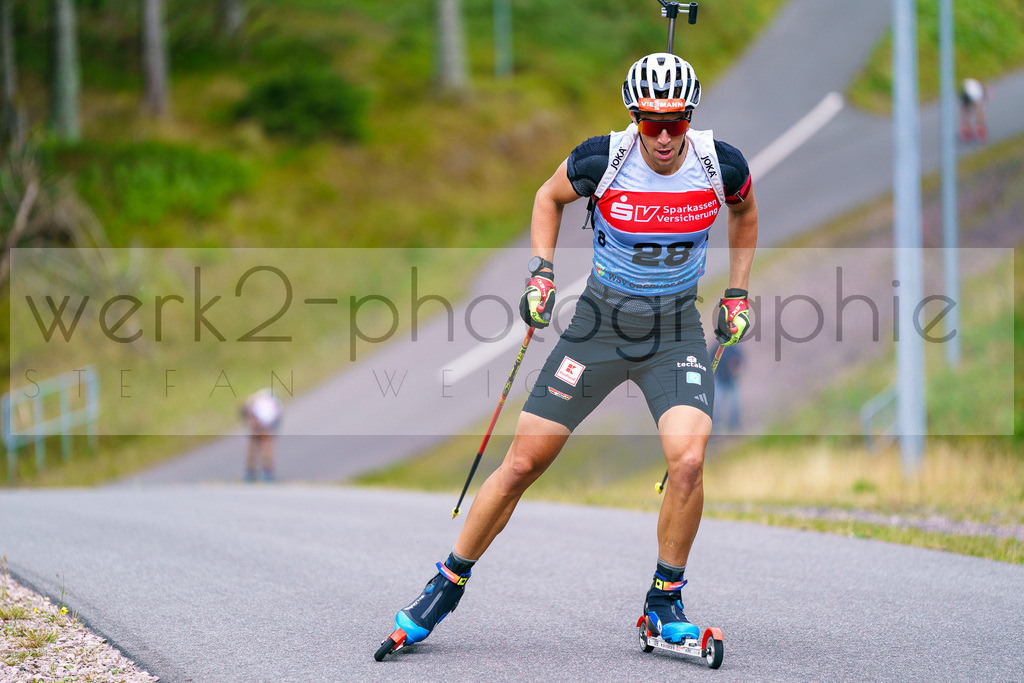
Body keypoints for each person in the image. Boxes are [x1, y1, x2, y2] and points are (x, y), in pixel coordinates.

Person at [384, 53, 758, 651]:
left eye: (676, 122)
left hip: (675, 331)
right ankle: (446, 584)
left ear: (690, 117)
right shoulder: (602, 159)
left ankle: (664, 601)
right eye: (651, 122)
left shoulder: (720, 164)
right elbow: (546, 197)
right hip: (599, 325)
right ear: (634, 117)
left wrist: (737, 291)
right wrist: (541, 272)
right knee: (523, 464)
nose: (664, 137)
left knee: (687, 461)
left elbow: (744, 211)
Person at [241, 388, 283, 482]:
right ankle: (250, 471)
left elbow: (273, 424)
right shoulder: (252, 404)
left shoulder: (267, 413)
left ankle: (267, 471)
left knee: (266, 442)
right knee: (253, 442)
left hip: (269, 418)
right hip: (261, 413)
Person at [711, 341, 744, 432]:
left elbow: (741, 360)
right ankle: (715, 425)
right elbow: (710, 360)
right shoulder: (716, 347)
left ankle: (734, 425)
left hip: (731, 379)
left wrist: (736, 369)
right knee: (715, 403)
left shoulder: (733, 347)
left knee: (734, 403)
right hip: (719, 379)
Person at [959, 77, 988, 143]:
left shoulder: (978, 90)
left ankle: (976, 126)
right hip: (967, 94)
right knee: (971, 111)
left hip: (969, 91)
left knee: (975, 111)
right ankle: (970, 127)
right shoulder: (975, 93)